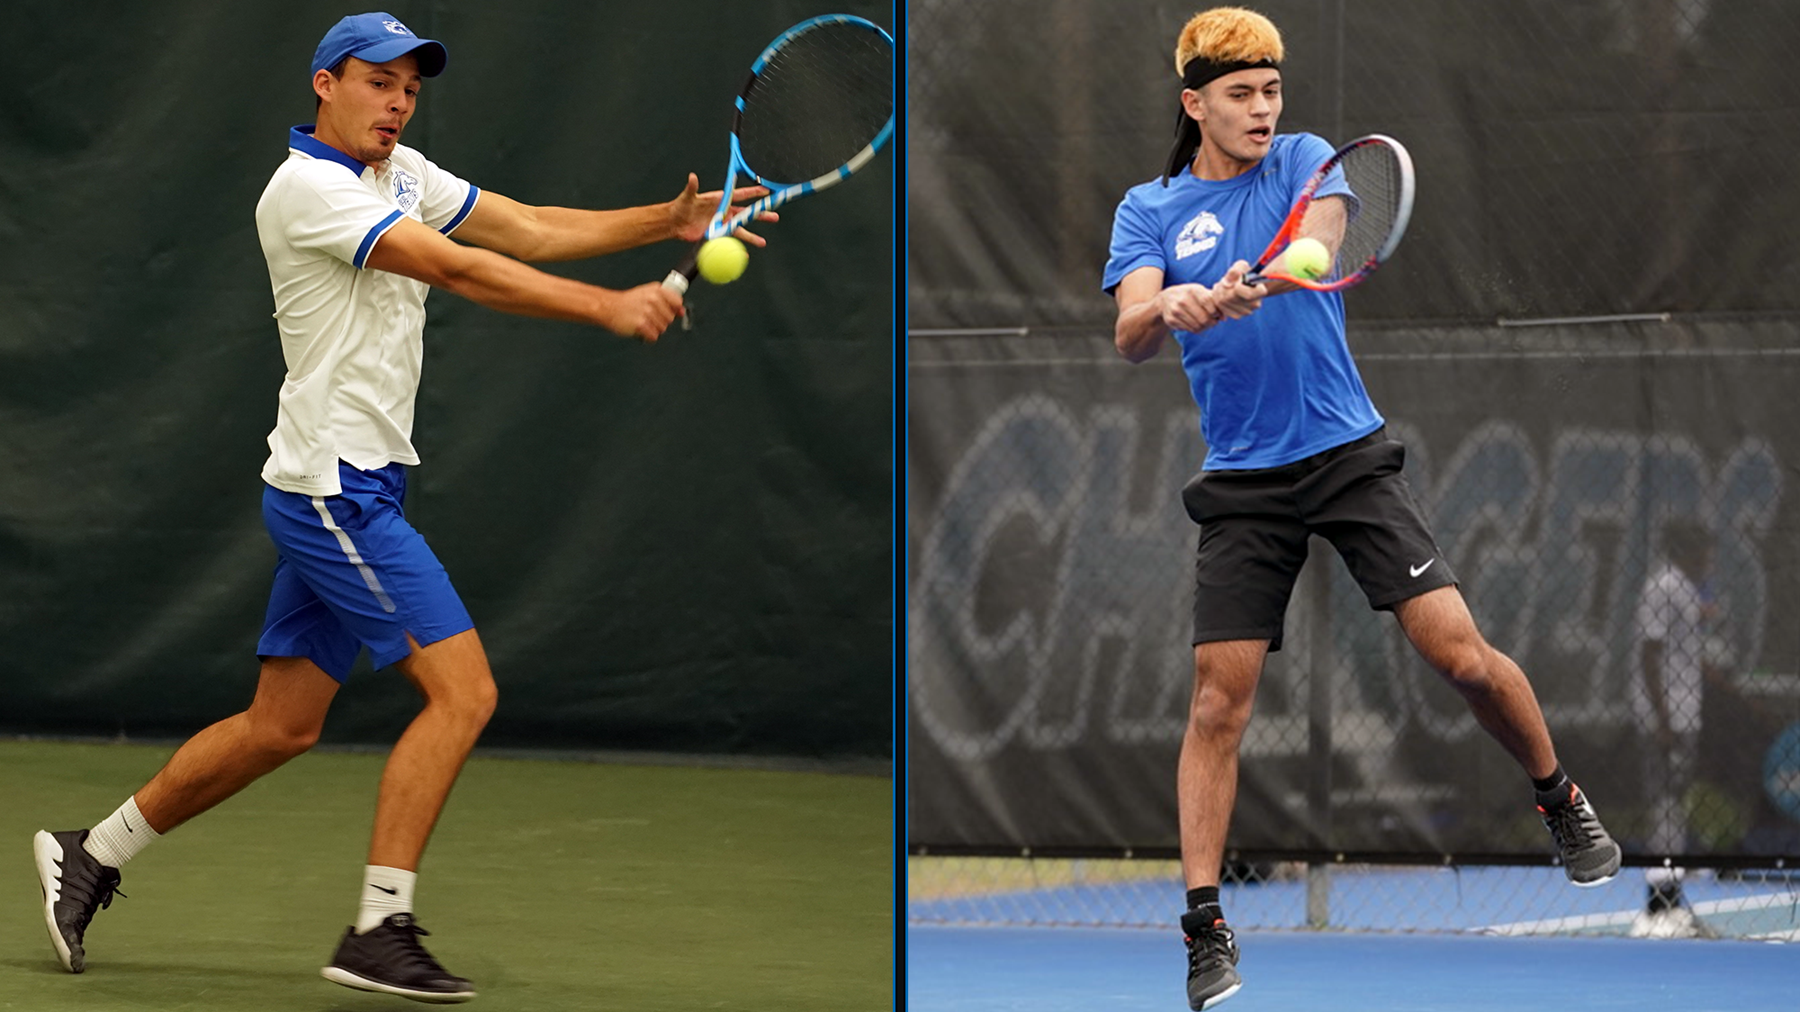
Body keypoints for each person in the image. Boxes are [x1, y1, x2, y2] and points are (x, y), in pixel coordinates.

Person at [32, 12, 773, 1003]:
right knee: (464, 693)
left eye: (411, 88)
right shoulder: (307, 192)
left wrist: (663, 224)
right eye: (379, 82)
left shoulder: (404, 174)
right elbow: (458, 267)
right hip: (335, 491)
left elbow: (529, 226)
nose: (398, 101)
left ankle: (93, 852)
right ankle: (379, 925)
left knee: (280, 727)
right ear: (324, 84)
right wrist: (606, 306)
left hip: (354, 479)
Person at [1100, 8, 1621, 1008]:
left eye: (1272, 90)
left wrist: (1262, 275)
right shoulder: (1149, 208)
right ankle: (1206, 927)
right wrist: (1170, 303)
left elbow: (1322, 244)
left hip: (1345, 454)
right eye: (1242, 94)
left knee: (1459, 655)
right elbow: (1129, 325)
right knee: (1219, 699)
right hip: (1245, 481)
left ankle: (1558, 797)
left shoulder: (1305, 159)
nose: (1263, 109)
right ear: (1194, 103)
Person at [1629, 519, 1720, 938]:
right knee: (1663, 805)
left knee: (1673, 807)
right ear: (1689, 549)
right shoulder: (1663, 587)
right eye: (1705, 549)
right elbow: (1650, 653)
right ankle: (1658, 907)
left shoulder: (1684, 590)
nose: (1710, 559)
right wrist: (1663, 718)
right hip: (1666, 718)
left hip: (1685, 715)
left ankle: (1670, 900)